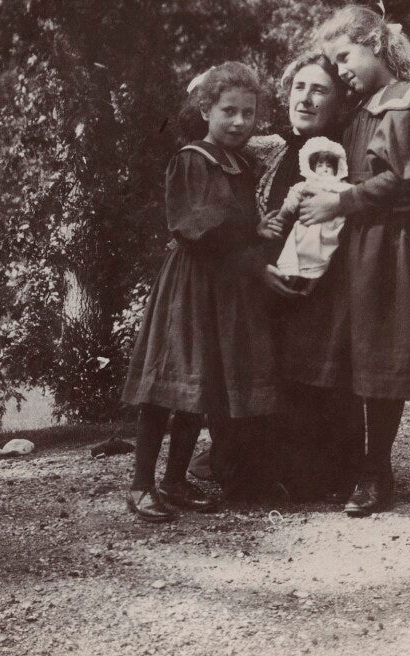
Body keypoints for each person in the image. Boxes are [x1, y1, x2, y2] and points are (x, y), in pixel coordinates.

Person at [299, 5, 410, 516]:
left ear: (373, 42)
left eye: (345, 56)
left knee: (384, 354)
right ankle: (345, 464)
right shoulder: (361, 109)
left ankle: (377, 470)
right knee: (352, 354)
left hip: (395, 244)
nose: (341, 69)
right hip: (357, 241)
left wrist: (343, 201)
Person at [121, 61, 291, 522]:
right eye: (228, 111)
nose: (239, 122)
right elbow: (198, 229)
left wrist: (262, 230)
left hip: (226, 287)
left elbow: (239, 226)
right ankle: (140, 485)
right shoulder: (194, 158)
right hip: (193, 285)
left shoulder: (240, 163)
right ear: (205, 109)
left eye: (248, 114)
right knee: (168, 386)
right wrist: (254, 238)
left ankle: (175, 480)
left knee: (203, 387)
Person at [251, 52, 365, 502]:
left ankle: (331, 476)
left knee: (324, 372)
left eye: (319, 89)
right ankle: (269, 469)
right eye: (299, 87)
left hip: (330, 286)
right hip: (265, 282)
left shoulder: (348, 153)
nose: (306, 97)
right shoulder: (269, 150)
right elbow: (242, 217)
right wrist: (257, 269)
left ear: (338, 101)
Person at [274, 136, 349, 294]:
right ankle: (290, 283)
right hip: (308, 228)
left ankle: (309, 288)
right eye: (320, 165)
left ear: (337, 169)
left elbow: (350, 193)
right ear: (312, 168)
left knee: (326, 259)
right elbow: (292, 200)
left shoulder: (339, 186)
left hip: (331, 230)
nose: (325, 169)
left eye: (329, 165)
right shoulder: (306, 184)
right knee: (297, 255)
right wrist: (282, 216)